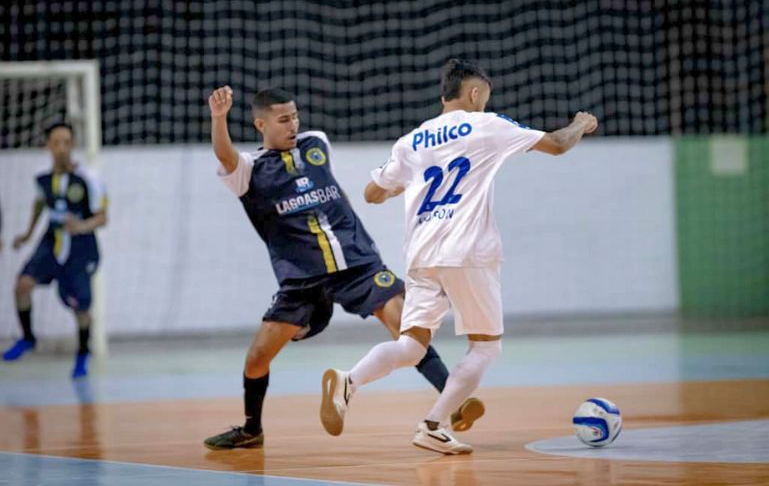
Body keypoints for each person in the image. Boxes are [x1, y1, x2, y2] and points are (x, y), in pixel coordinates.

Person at [320, 58, 598, 454]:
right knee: (486, 346)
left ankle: (349, 380)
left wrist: (400, 186)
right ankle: (432, 425)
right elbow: (556, 144)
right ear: (474, 93)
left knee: (411, 345)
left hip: (421, 254)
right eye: (485, 96)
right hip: (468, 252)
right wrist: (580, 125)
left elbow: (372, 193)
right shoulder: (488, 125)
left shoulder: (412, 140)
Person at [204, 86, 484, 450]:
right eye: (283, 119)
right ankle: (251, 428)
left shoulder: (316, 144)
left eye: (295, 116)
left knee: (407, 327)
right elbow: (226, 157)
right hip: (301, 280)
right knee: (257, 359)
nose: (294, 124)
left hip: (357, 263)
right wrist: (219, 118)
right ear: (261, 124)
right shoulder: (250, 170)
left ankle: (455, 401)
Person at [3, 122, 108, 378]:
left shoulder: (88, 178)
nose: (61, 148)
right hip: (51, 241)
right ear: (48, 146)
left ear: (72, 145)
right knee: (22, 285)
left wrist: (82, 225)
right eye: (56, 142)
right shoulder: (42, 179)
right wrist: (27, 235)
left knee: (80, 308)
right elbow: (39, 204)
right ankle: (28, 338)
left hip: (81, 248)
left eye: (66, 142)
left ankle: (83, 352)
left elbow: (102, 217)